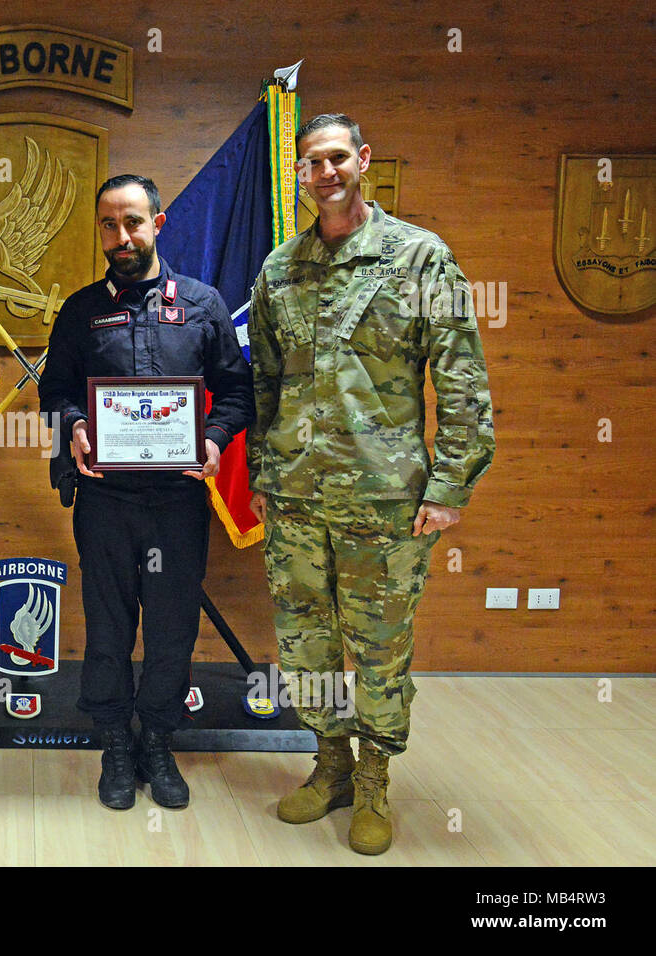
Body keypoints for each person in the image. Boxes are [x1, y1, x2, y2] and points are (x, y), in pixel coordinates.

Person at [248, 114, 495, 853]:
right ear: (298, 173)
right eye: (310, 162)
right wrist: (263, 475)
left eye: (336, 158)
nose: (324, 172)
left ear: (362, 161)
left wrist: (450, 484)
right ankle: (330, 767)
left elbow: (462, 377)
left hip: (383, 499)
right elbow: (263, 383)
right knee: (305, 644)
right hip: (294, 497)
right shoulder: (279, 270)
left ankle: (377, 776)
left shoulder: (418, 258)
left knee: (380, 647)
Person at [38, 175, 255, 810]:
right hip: (105, 500)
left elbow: (237, 391)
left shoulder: (203, 304)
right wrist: (76, 425)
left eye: (133, 221)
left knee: (171, 627)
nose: (121, 236)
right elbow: (55, 392)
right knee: (107, 625)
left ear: (158, 224)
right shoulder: (80, 310)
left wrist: (213, 438)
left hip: (178, 502)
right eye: (109, 224)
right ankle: (112, 741)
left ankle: (157, 740)